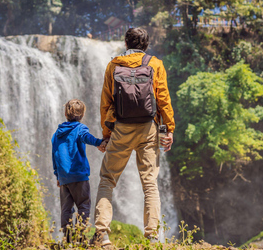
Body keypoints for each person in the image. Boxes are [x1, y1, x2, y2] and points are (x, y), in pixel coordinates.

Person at [92, 27, 175, 246]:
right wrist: (168, 131)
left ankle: (102, 235)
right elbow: (163, 100)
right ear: (146, 45)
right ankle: (153, 237)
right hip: (149, 127)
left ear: (126, 44)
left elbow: (106, 103)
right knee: (150, 183)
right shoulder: (155, 64)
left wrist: (107, 135)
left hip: (121, 128)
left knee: (107, 180)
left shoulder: (113, 65)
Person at [51, 99, 105, 243]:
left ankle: (68, 238)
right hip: (79, 176)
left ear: (65, 113)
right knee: (83, 204)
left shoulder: (57, 134)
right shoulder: (80, 128)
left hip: (64, 179)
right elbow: (87, 138)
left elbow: (54, 155)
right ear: (82, 115)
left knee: (66, 208)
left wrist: (57, 175)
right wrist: (100, 142)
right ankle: (81, 237)